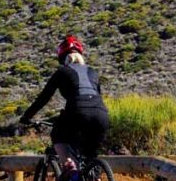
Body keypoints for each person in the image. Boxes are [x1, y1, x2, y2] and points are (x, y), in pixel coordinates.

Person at [18, 34, 110, 169]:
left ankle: (69, 164)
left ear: (63, 58)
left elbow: (44, 98)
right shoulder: (93, 72)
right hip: (101, 115)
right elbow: (98, 95)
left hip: (77, 112)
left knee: (58, 135)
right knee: (91, 160)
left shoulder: (62, 72)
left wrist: (27, 116)